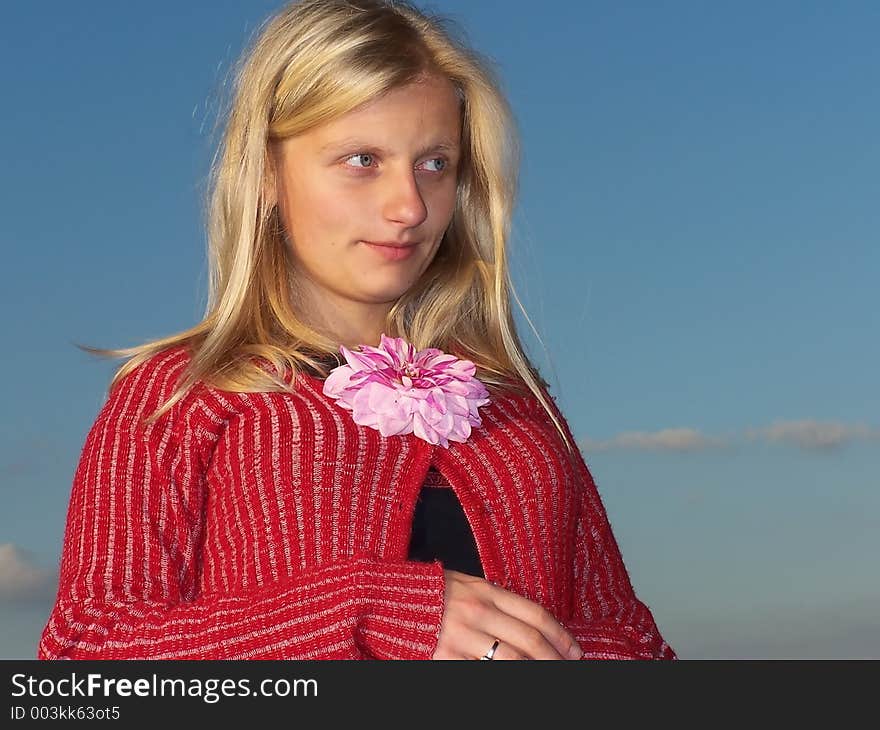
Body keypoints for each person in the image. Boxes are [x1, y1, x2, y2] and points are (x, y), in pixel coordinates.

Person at [38, 0, 675, 661]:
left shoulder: (517, 407)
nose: (409, 206)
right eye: (363, 159)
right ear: (265, 175)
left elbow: (638, 645)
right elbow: (88, 658)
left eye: (435, 163)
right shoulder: (177, 396)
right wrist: (370, 610)